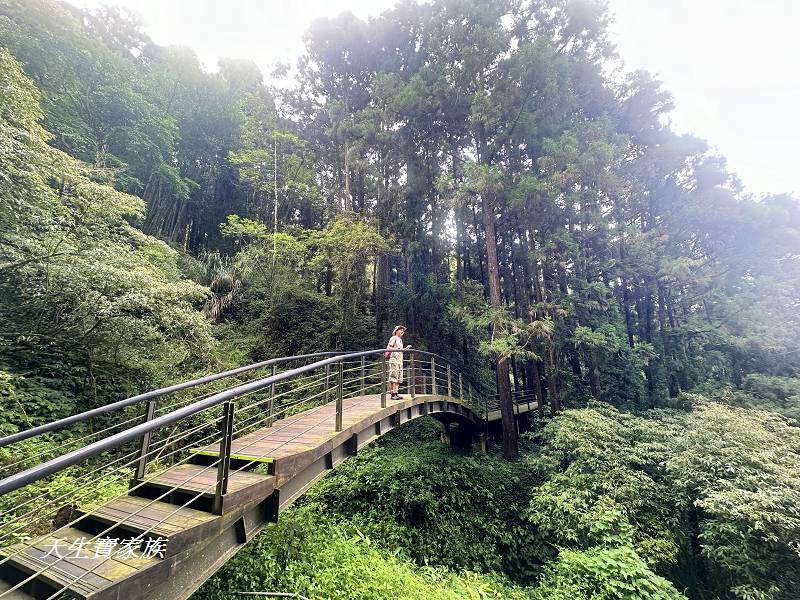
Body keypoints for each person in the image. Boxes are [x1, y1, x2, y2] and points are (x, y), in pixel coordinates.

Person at [386, 325, 411, 401]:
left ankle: (396, 393)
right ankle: (392, 394)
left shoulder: (400, 339)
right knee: (394, 376)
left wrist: (405, 348)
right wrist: (396, 348)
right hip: (394, 359)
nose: (402, 332)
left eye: (403, 331)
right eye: (401, 330)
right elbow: (389, 348)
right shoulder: (393, 338)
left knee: (399, 377)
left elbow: (399, 349)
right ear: (396, 331)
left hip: (400, 360)